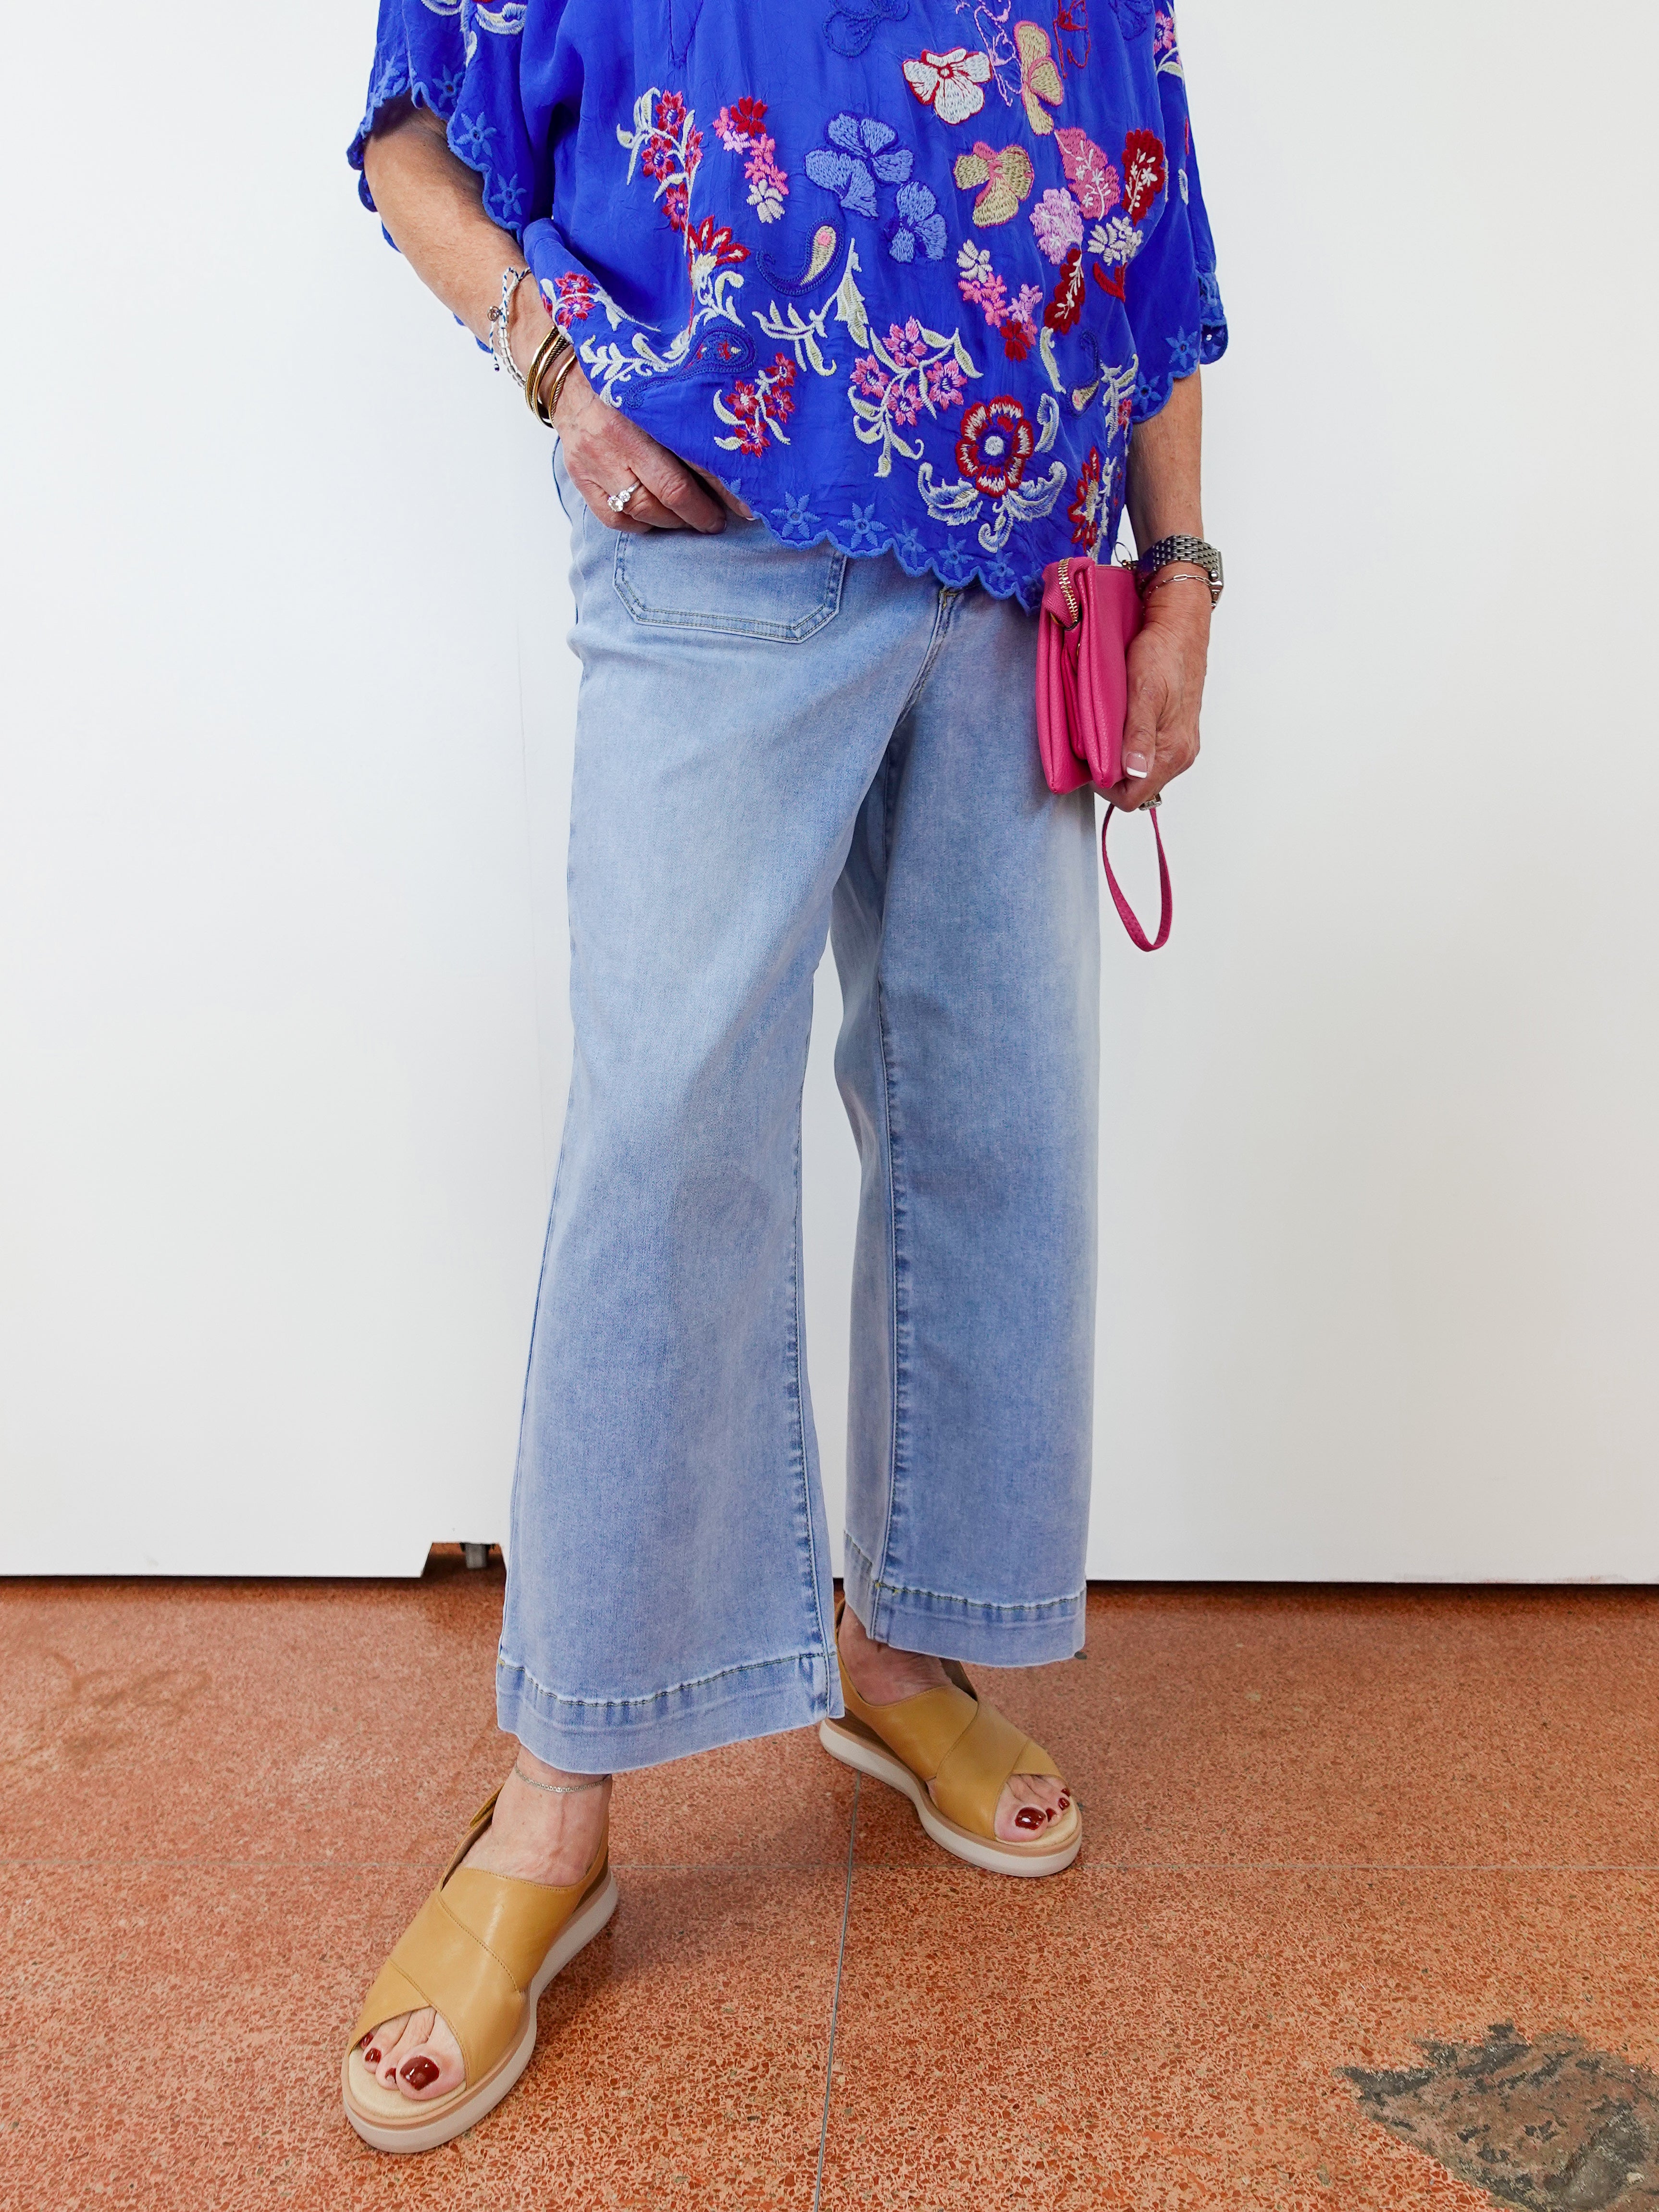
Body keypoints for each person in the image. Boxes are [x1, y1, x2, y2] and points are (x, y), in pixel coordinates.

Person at [342, 0, 1226, 2153]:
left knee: (989, 1130)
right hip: (713, 553)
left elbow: (1148, 223)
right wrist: (554, 377)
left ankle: (895, 1651)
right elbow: (404, 143)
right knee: (661, 1141)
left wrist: (1179, 562)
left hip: (1026, 579)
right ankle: (555, 1801)